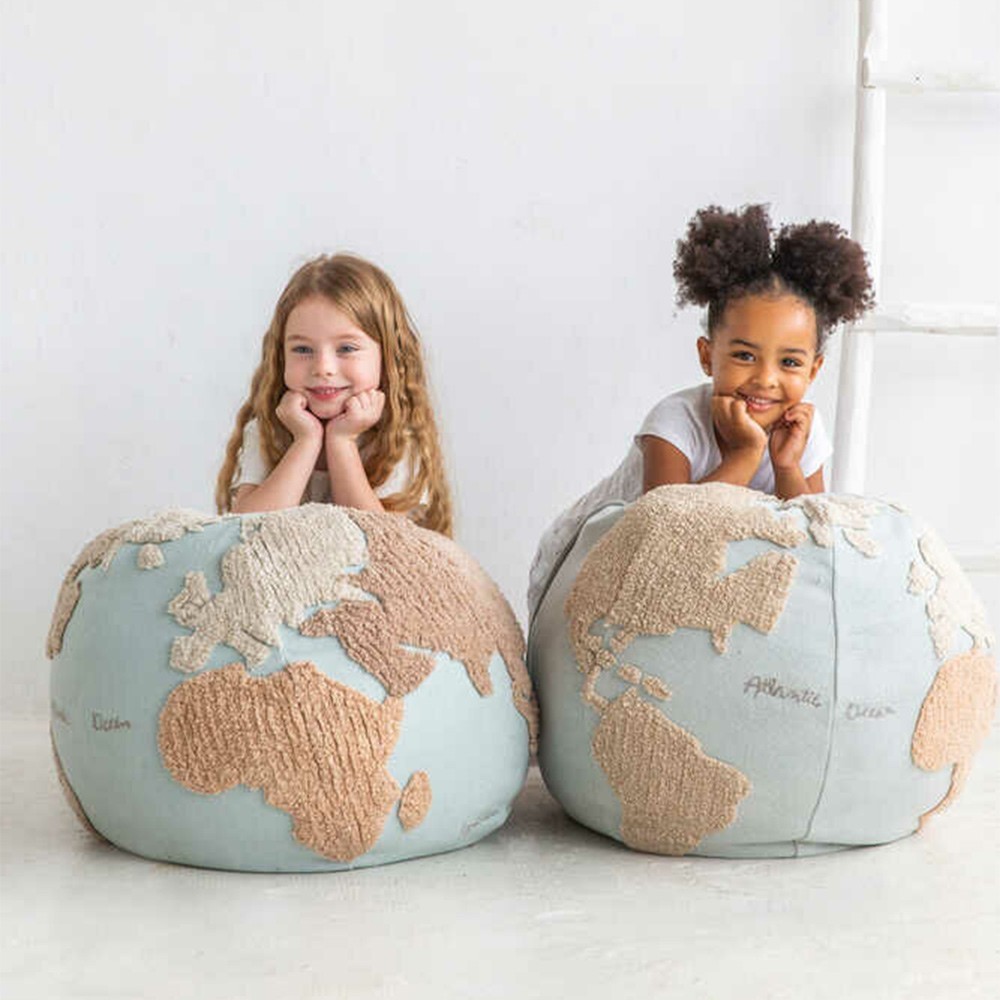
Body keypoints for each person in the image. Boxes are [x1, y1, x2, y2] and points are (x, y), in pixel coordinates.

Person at [527, 203, 875, 617]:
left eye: (789, 362)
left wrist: (787, 468)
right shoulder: (675, 422)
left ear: (814, 369)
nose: (766, 379)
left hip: (688, 583)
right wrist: (745, 455)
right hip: (586, 566)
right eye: (745, 356)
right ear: (707, 356)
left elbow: (814, 542)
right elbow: (668, 533)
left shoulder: (802, 431)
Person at [216, 253, 453, 536]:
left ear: (388, 357)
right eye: (303, 349)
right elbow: (243, 531)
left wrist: (342, 441)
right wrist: (305, 441)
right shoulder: (269, 430)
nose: (323, 368)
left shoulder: (397, 439)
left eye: (346, 349)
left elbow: (381, 542)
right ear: (280, 357)